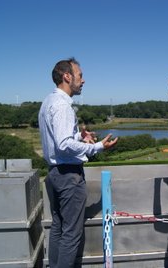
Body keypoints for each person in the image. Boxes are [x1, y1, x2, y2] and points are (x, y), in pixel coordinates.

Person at [38, 57, 118, 268]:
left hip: (55, 173)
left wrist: (80, 137)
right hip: (68, 176)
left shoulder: (48, 101)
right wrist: (96, 146)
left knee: (58, 228)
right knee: (71, 234)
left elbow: (59, 140)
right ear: (67, 76)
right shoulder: (63, 106)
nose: (83, 80)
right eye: (80, 75)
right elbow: (63, 144)